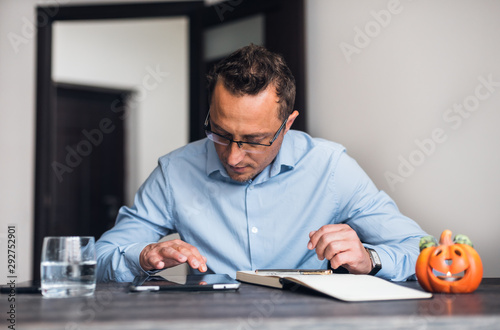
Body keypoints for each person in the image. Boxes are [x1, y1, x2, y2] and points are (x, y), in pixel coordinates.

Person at [96, 44, 427, 283]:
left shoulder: (331, 168)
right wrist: (142, 256)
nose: (233, 156)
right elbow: (96, 259)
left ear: (288, 124)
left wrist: (369, 259)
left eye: (254, 140)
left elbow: (423, 251)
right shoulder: (175, 172)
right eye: (221, 133)